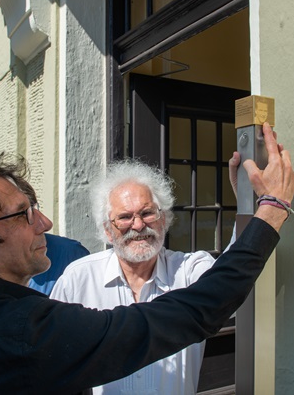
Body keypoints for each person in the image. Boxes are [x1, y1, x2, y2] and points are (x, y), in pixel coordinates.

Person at [0, 122, 294, 395]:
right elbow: (196, 309)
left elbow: (221, 286)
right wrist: (273, 208)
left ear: (164, 217)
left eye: (148, 213)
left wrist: (249, 210)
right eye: (23, 214)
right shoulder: (33, 321)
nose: (45, 223)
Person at [50, 157, 238, 394]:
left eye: (147, 213)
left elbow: (232, 283)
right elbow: (52, 362)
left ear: (164, 219)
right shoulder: (78, 280)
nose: (138, 225)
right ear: (108, 230)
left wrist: (248, 205)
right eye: (125, 217)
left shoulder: (190, 272)